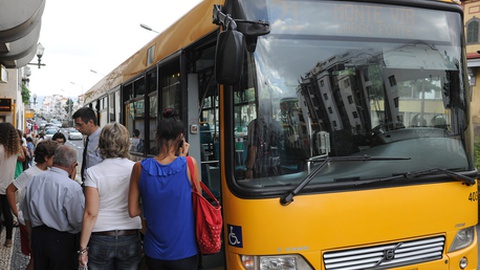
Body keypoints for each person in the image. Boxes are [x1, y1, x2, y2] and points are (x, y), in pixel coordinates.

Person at [128, 108, 200, 270]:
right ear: (181, 137)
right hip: (185, 249)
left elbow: (133, 211)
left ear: (156, 136)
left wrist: (149, 228)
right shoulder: (189, 164)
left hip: (154, 251)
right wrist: (183, 157)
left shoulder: (140, 168)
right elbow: (196, 202)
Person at [78, 122, 142, 270]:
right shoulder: (136, 168)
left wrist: (82, 248)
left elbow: (91, 213)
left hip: (101, 236)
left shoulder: (93, 172)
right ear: (126, 143)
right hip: (130, 235)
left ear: (102, 144)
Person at [22, 145, 85, 270]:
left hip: (39, 236)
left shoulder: (34, 180)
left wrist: (31, 236)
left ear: (54, 159)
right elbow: (77, 221)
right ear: (73, 165)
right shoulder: (72, 187)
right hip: (63, 240)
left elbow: (26, 214)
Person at [6, 139, 58, 270]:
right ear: (46, 157)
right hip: (31, 222)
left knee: (40, 257)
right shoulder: (30, 173)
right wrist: (16, 213)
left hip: (43, 222)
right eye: (55, 157)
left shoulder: (51, 172)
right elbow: (10, 190)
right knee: (36, 258)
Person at [245, 102, 283, 179]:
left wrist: (249, 169)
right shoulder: (276, 124)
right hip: (275, 165)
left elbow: (253, 148)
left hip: (260, 167)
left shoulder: (254, 124)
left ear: (258, 111)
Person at [0, 123, 22, 248]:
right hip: (8, 186)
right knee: (7, 213)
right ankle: (8, 239)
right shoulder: (14, 151)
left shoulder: (0, 149)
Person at [72, 107, 103, 184]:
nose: (77, 128)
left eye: (79, 125)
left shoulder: (103, 139)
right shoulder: (88, 138)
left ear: (90, 122)